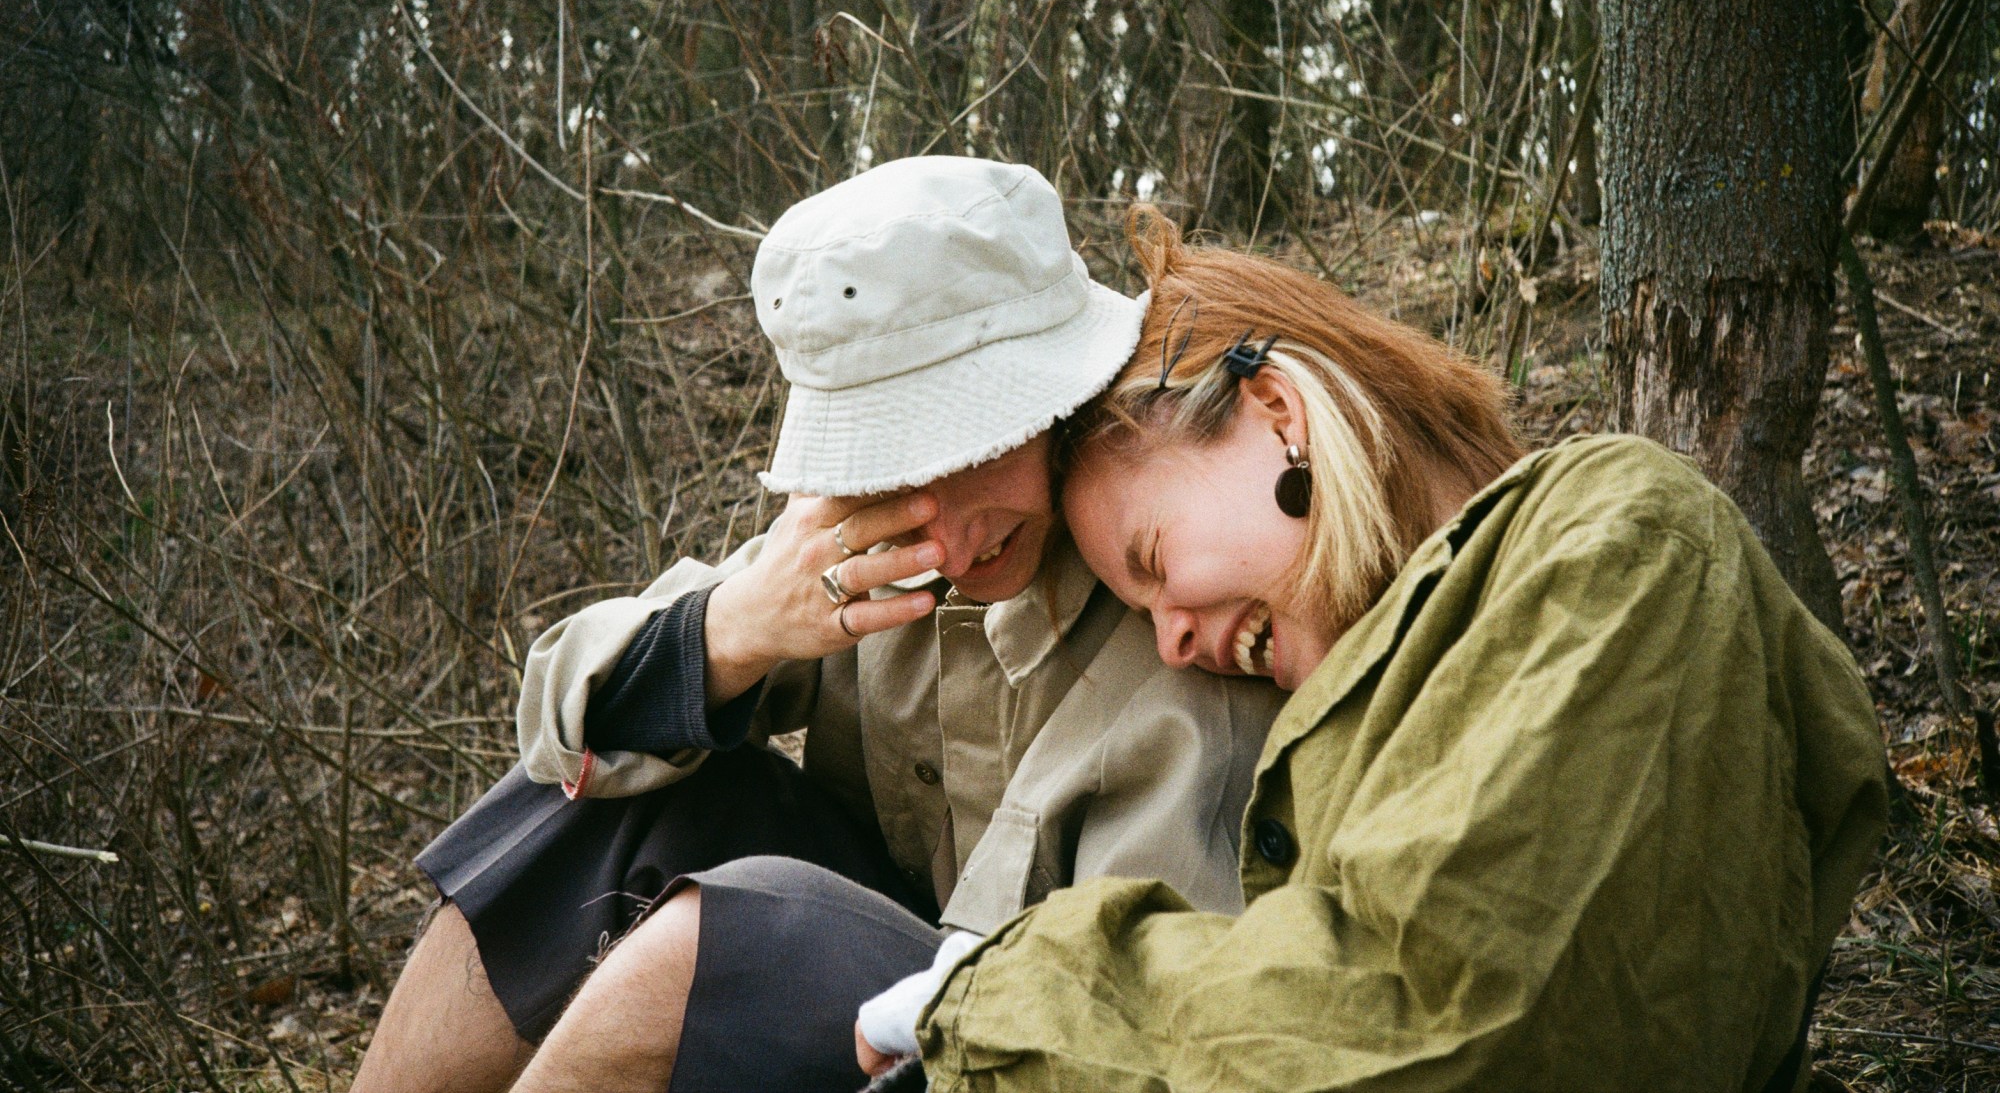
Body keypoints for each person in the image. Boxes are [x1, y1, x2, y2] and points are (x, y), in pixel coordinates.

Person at [857, 210, 1889, 1091]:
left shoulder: (1618, 534)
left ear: (1273, 412)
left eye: (1154, 557)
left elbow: (1449, 1017)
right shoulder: (1389, 666)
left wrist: (995, 1000)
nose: (1169, 639)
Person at [350, 162, 1284, 1093]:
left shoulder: (1183, 602)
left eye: (977, 450)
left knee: (722, 939)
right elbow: (562, 720)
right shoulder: (869, 545)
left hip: (1016, 1039)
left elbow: (1133, 1014)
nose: (952, 540)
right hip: (882, 973)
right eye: (897, 473)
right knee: (606, 798)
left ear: (1060, 397)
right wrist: (735, 628)